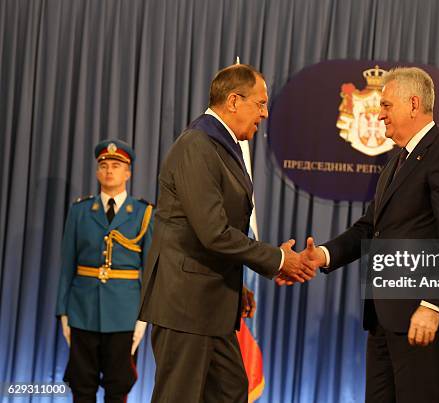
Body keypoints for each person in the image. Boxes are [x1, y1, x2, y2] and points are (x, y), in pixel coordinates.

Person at [291, 67, 439, 402]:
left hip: (421, 318)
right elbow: (369, 227)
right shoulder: (396, 162)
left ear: (414, 104)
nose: (380, 114)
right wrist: (323, 254)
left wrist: (432, 305)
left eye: (387, 106)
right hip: (384, 318)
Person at [138, 64, 315, 403]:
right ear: (234, 101)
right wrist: (278, 259)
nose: (264, 114)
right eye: (260, 104)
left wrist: (235, 289)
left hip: (212, 303)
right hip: (186, 306)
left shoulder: (220, 144)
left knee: (230, 392)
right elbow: (214, 233)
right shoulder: (197, 145)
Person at [55, 139, 153, 403]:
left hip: (125, 313)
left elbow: (151, 271)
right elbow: (67, 264)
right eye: (104, 165)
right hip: (82, 310)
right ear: (97, 172)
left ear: (128, 173)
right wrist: (63, 311)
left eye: (117, 165)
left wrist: (144, 318)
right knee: (81, 386)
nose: (109, 170)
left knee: (118, 387)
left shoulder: (144, 213)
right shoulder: (80, 211)